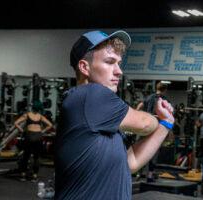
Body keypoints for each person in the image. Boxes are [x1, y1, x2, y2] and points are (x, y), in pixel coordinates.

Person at [54, 30, 174, 200]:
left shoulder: (96, 114)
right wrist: (157, 118)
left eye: (118, 63)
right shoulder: (89, 95)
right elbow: (144, 124)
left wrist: (166, 123)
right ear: (84, 67)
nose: (119, 71)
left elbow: (130, 163)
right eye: (110, 62)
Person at [136, 81, 169, 181]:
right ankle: (149, 175)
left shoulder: (149, 97)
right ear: (165, 90)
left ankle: (138, 173)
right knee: (153, 151)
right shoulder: (164, 99)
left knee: (141, 149)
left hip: (145, 126)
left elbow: (139, 106)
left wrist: (138, 116)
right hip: (156, 127)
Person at [14, 100, 53, 181]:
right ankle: (34, 176)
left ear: (33, 107)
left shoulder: (27, 115)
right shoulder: (41, 116)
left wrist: (22, 130)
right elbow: (50, 125)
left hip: (29, 135)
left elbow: (16, 123)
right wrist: (42, 131)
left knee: (26, 156)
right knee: (36, 157)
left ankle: (23, 175)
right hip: (38, 136)